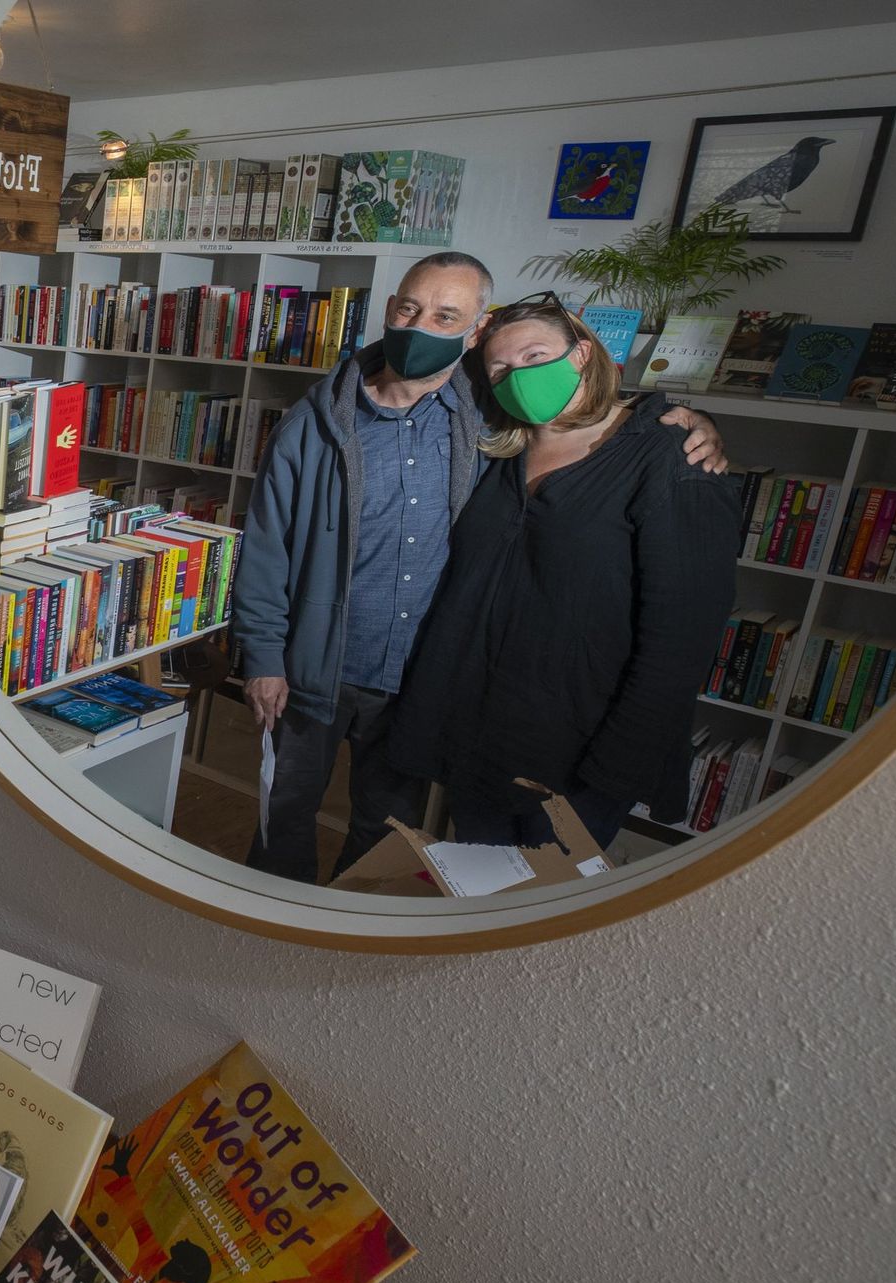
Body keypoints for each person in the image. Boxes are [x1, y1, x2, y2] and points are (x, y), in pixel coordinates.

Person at [231, 252, 727, 883]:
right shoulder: (319, 426)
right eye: (409, 308)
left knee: (389, 828)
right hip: (320, 665)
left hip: (422, 679)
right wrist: (264, 655)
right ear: (390, 310)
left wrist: (696, 420)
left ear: (471, 332)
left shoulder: (487, 418)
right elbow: (267, 545)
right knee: (287, 809)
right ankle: (271, 926)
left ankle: (359, 928)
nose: (421, 326)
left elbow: (594, 420)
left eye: (446, 316)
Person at [387, 293, 741, 848]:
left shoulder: (671, 461)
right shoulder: (497, 451)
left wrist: (614, 768)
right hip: (478, 735)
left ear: (580, 354)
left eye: (535, 356)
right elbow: (399, 367)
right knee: (475, 901)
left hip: (580, 754)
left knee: (540, 913)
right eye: (501, 366)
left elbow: (682, 639)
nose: (518, 375)